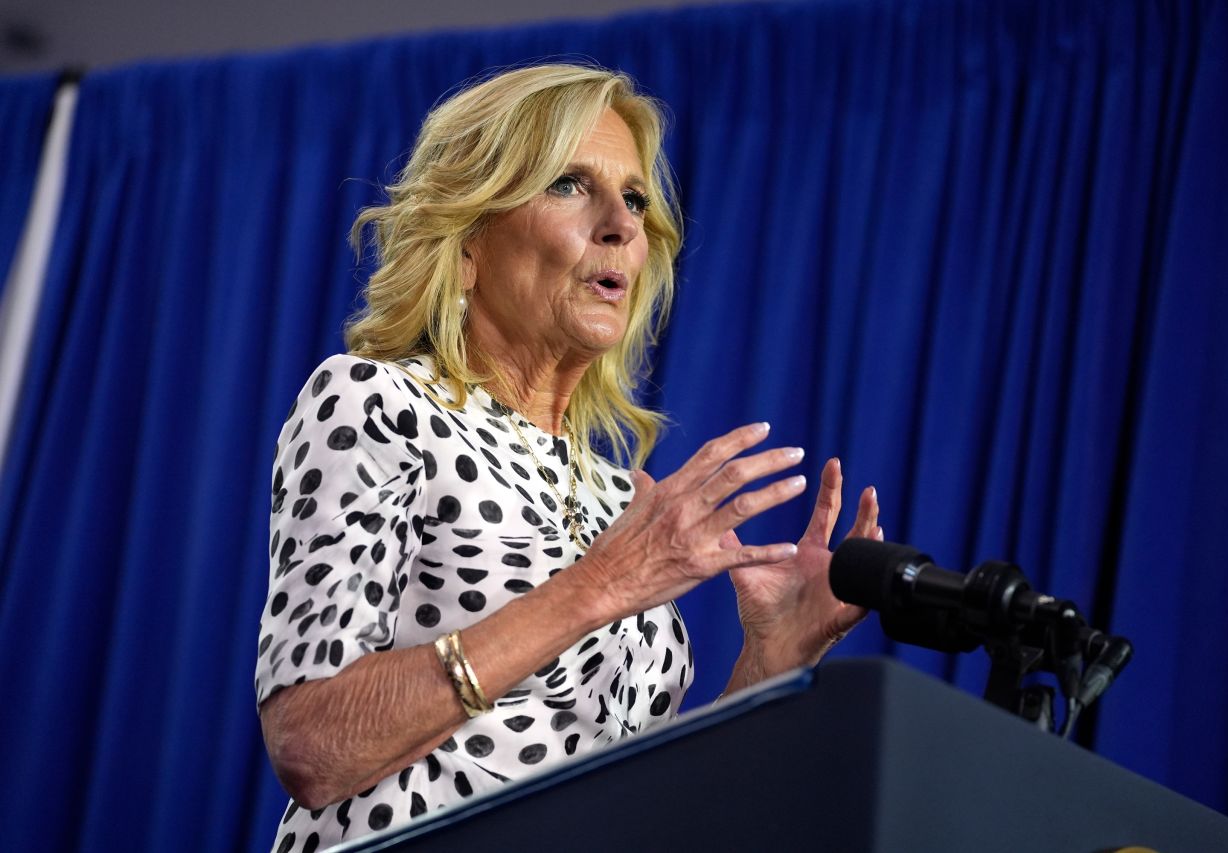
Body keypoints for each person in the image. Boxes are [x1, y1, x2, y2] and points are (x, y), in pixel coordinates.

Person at [255, 63, 883, 852]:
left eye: (635, 198)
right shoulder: (376, 403)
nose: (621, 223)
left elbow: (647, 805)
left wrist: (769, 660)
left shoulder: (619, 496)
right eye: (569, 184)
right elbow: (312, 745)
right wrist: (600, 584)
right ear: (469, 237)